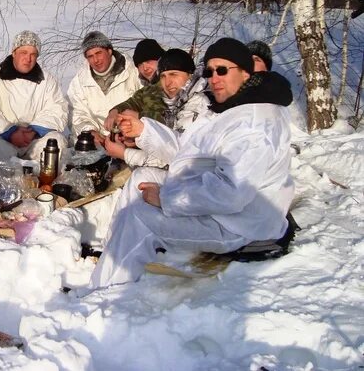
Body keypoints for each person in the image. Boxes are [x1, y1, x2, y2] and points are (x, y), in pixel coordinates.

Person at [87, 38, 294, 290]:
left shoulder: (254, 122)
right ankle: (112, 254)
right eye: (209, 71)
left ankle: (102, 292)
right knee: (141, 179)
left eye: (222, 70)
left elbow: (230, 193)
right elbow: (186, 151)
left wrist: (166, 198)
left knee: (139, 216)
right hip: (219, 205)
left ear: (245, 72)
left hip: (240, 224)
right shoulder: (226, 108)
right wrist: (144, 131)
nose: (214, 78)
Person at [104, 48, 210, 167]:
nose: (168, 82)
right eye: (163, 76)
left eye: (173, 74)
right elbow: (132, 102)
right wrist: (116, 113)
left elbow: (181, 160)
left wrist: (126, 153)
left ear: (190, 75)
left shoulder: (199, 105)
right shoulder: (171, 99)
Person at [0, 30, 68, 161]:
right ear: (14, 52)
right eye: (23, 52)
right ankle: (3, 181)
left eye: (33, 54)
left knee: (56, 142)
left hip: (35, 139)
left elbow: (57, 109)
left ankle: (45, 180)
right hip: (4, 138)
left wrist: (34, 130)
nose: (28, 59)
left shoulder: (47, 80)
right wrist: (11, 132)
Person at [67, 31, 142, 145]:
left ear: (109, 51)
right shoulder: (79, 81)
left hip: (129, 138)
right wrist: (90, 132)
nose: (96, 60)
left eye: (98, 53)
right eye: (90, 56)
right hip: (96, 141)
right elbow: (77, 114)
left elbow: (144, 105)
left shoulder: (133, 72)